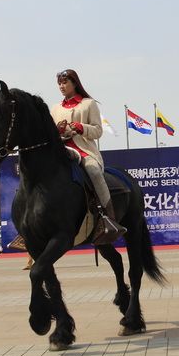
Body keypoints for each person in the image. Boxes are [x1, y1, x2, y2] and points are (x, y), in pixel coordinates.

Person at [50, 69, 126, 240]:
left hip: (83, 150)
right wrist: (58, 131)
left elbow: (98, 131)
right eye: (59, 83)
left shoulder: (88, 104)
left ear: (74, 83)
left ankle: (108, 218)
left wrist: (79, 127)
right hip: (61, 151)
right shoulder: (55, 108)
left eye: (65, 82)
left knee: (93, 171)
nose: (62, 86)